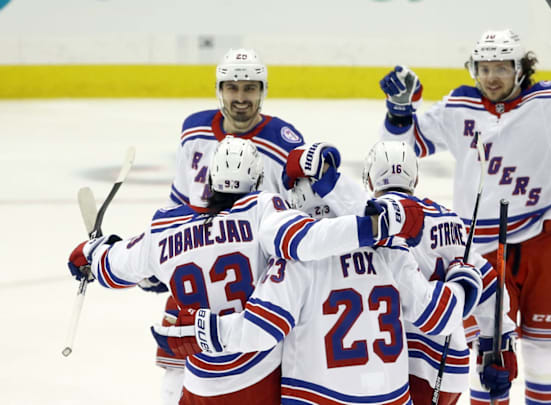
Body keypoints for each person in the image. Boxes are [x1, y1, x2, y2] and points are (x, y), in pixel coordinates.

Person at [67, 138, 425, 404]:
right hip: (257, 378)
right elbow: (303, 240)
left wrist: (92, 252)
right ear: (256, 181)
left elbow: (114, 267)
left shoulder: (164, 229)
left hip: (198, 381)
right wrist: (373, 228)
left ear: (209, 182)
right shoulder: (262, 209)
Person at [377, 30, 551, 404]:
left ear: (520, 69)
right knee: (487, 353)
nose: (491, 77)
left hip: (544, 238)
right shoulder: (458, 105)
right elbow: (403, 147)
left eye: (502, 68)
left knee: (545, 352)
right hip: (481, 250)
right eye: (484, 68)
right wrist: (398, 112)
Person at [150, 175, 486, 405]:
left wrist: (204, 331)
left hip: (315, 397)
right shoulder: (390, 250)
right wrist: (463, 280)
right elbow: (437, 317)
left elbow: (258, 332)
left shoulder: (293, 263)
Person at [283, 139, 519, 404]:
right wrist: (498, 344)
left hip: (398, 361)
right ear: (415, 178)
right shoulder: (449, 219)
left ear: (370, 181)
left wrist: (325, 178)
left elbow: (358, 208)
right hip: (449, 362)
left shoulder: (375, 219)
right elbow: (487, 283)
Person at [157, 47, 311, 404]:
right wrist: (160, 254)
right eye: (232, 88)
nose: (241, 98)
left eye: (250, 88)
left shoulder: (284, 143)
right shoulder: (193, 129)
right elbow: (179, 202)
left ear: (263, 90)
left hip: (253, 280)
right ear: (219, 90)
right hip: (195, 266)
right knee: (177, 367)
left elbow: (299, 217)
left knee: (263, 369)